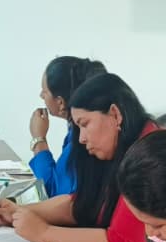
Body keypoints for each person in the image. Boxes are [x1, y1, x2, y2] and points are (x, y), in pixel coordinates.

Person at [0, 73, 157, 242]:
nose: (81, 138)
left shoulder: (149, 156)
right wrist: (19, 212)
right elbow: (82, 204)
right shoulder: (115, 147)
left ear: (115, 114)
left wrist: (44, 233)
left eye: (85, 124)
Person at [28, 56, 107, 197]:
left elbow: (50, 192)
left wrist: (39, 139)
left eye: (45, 91)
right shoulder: (75, 130)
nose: (41, 95)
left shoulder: (82, 140)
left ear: (60, 102)